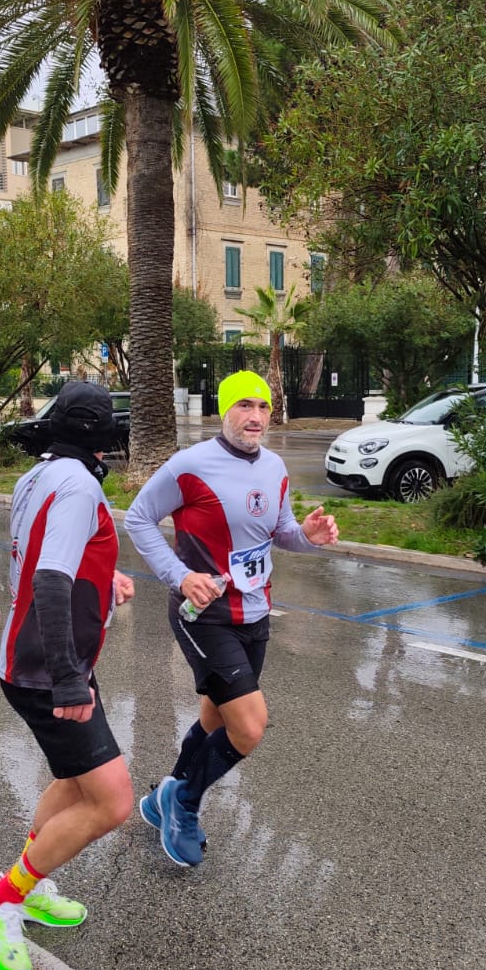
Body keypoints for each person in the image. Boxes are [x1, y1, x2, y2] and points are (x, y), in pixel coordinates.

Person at [124, 370, 338, 866]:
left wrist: (307, 537)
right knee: (249, 727)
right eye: (244, 406)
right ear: (224, 411)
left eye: (263, 407)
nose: (255, 416)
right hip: (204, 615)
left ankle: (163, 799)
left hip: (255, 613)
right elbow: (138, 518)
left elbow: (280, 532)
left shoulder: (275, 466)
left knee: (216, 717)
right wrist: (180, 576)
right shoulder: (189, 465)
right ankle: (184, 803)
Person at [0, 381, 136, 970]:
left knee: (72, 778)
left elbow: (43, 556)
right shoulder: (79, 484)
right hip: (48, 671)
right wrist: (67, 680)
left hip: (41, 660)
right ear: (102, 441)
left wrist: (106, 580)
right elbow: (51, 579)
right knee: (111, 801)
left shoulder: (38, 475)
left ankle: (29, 886)